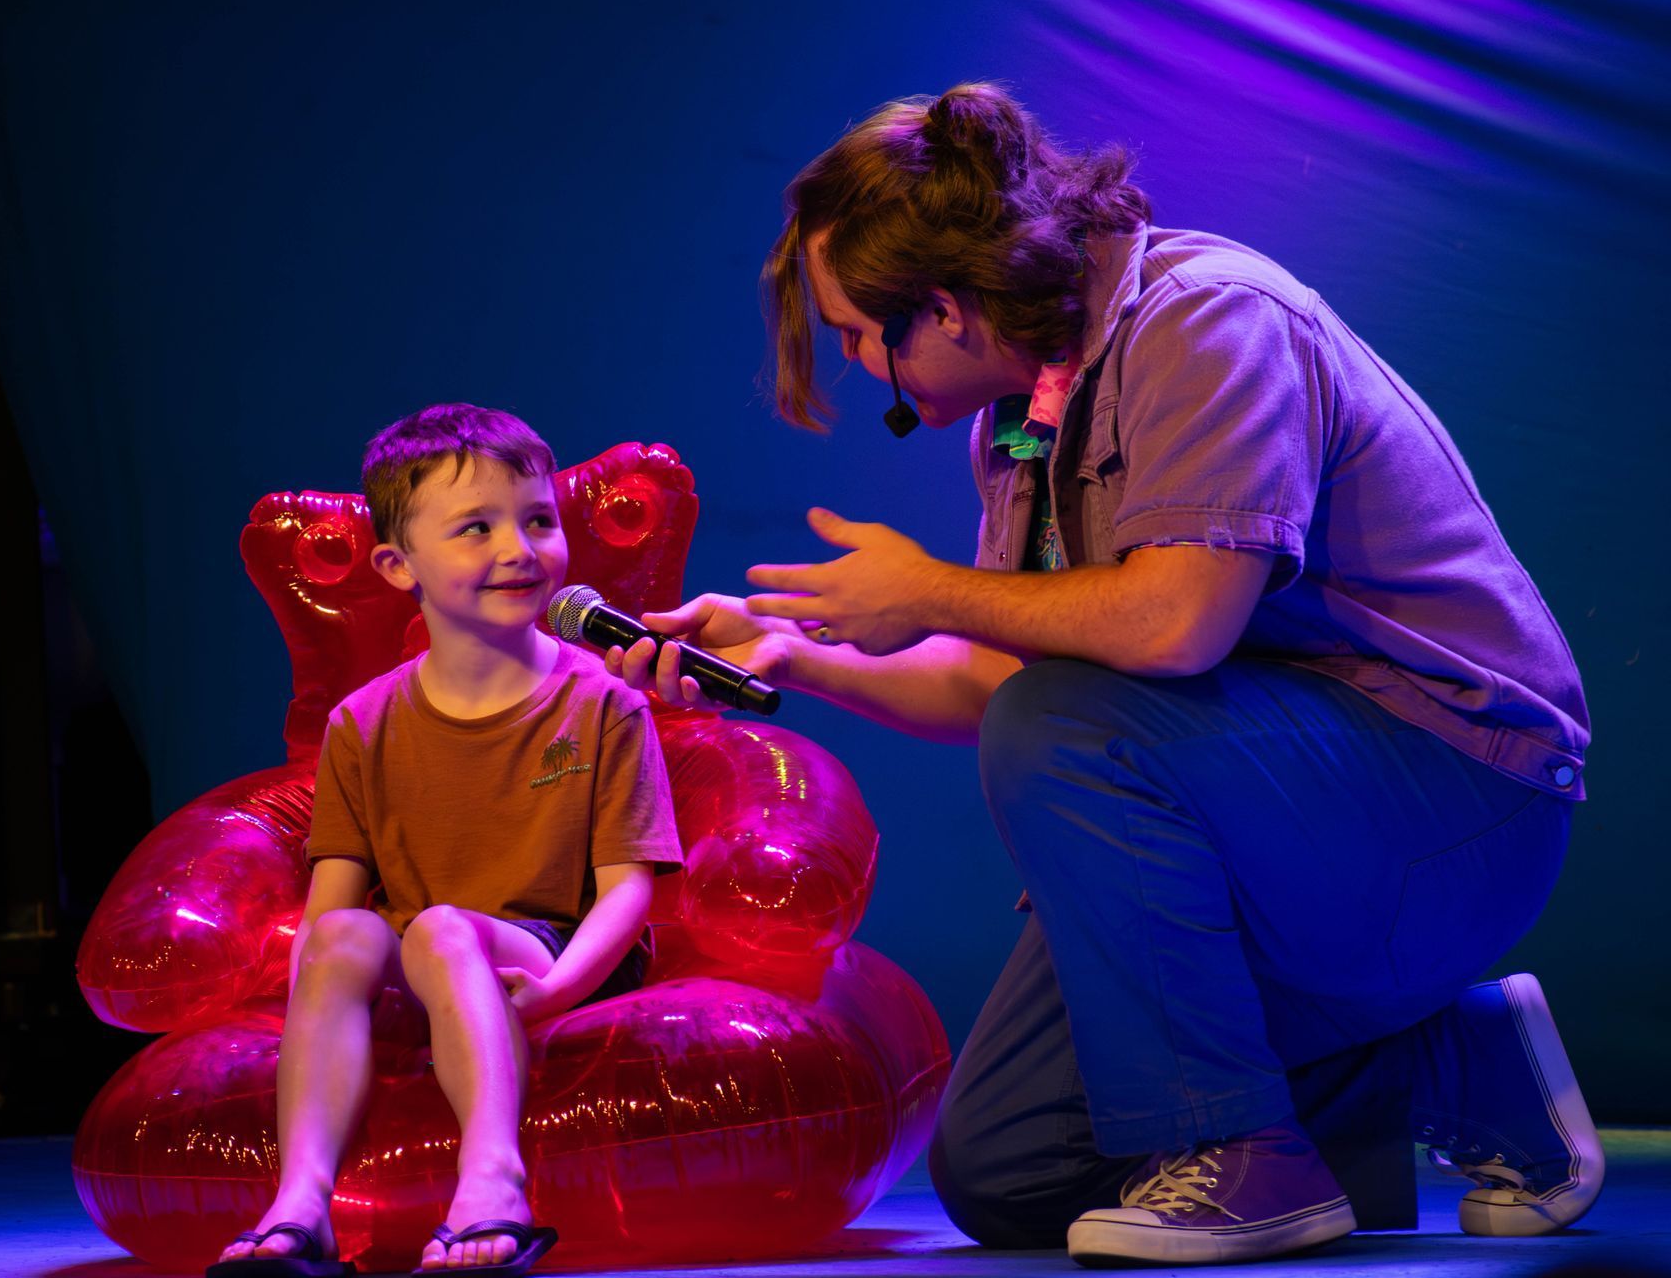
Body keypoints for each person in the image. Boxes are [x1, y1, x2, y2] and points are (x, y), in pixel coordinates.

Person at [606, 84, 1598, 1266]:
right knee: (1014, 1164)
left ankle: (1251, 1162)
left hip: (1454, 799)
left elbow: (1178, 625)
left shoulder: (1207, 320)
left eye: (865, 331)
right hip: (1280, 804)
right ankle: (1452, 1060)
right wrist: (792, 654)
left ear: (953, 305)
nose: (864, 363)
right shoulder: (1024, 416)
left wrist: (924, 588)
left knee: (1064, 723)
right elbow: (989, 676)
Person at [212, 403, 682, 1277]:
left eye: (538, 520)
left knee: (440, 928)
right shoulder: (365, 723)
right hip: (423, 949)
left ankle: (494, 1183)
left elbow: (627, 887)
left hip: (549, 945)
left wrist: (560, 987)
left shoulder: (603, 703)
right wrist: (324, 979)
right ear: (399, 567)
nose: (519, 549)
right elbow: (334, 901)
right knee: (348, 933)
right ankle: (300, 1205)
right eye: (476, 528)